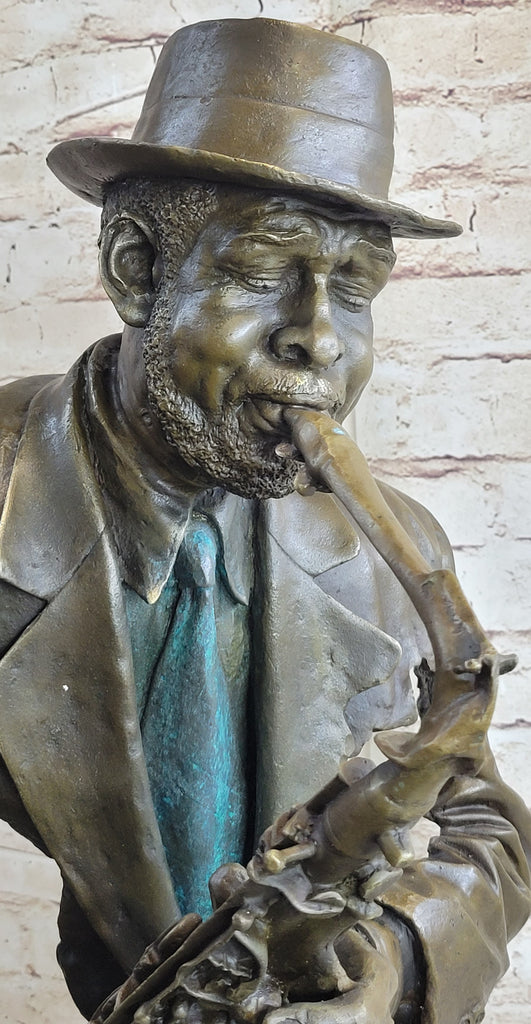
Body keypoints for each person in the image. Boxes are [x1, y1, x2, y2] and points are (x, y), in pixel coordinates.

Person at [0, 18, 529, 1024]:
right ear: (136, 271)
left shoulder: (393, 546)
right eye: (262, 269)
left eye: (355, 289)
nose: (318, 341)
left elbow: (490, 837)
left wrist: (391, 966)